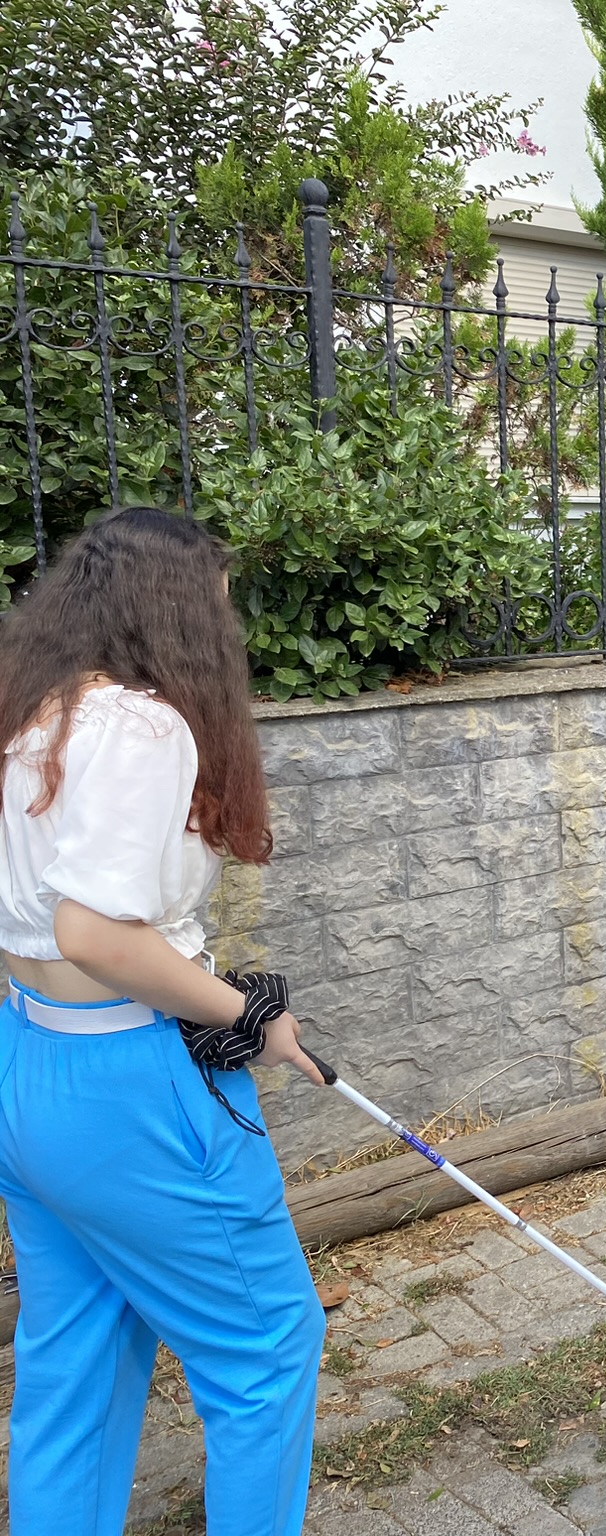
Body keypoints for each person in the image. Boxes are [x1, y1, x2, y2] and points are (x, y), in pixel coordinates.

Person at [0, 509, 327, 1535]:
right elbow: (97, 932)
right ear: (181, 609)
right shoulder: (144, 726)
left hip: (27, 1064)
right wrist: (248, 1015)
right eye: (222, 599)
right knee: (268, 1349)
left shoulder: (26, 713)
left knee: (76, 1357)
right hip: (129, 1085)